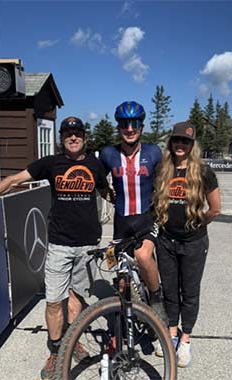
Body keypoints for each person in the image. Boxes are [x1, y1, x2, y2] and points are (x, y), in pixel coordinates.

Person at [0, 116, 110, 380]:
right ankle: (55, 351)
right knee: (53, 302)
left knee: (77, 299)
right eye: (68, 133)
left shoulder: (96, 165)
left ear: (84, 137)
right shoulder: (51, 164)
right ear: (62, 138)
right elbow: (15, 180)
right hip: (59, 244)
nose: (73, 137)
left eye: (78, 133)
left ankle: (72, 343)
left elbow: (109, 193)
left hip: (87, 245)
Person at [152, 121, 221, 368]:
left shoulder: (203, 171)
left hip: (193, 243)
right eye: (177, 140)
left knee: (189, 293)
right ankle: (171, 333)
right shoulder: (163, 169)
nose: (180, 145)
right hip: (166, 241)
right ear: (171, 143)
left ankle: (186, 339)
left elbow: (215, 209)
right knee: (170, 290)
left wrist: (197, 225)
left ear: (192, 145)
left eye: (186, 141)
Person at [100, 100, 168, 324]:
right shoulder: (108, 154)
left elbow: (165, 181)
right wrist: (108, 195)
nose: (129, 128)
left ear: (142, 126)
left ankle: (157, 300)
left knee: (143, 256)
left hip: (146, 218)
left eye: (135, 123)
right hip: (121, 222)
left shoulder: (153, 152)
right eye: (124, 124)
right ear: (118, 127)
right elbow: (100, 181)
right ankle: (130, 316)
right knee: (121, 280)